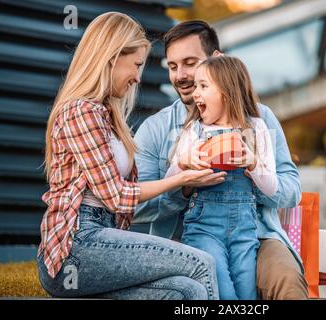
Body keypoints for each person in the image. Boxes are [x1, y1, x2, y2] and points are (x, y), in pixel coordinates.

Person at [37, 12, 219, 300]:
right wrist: (180, 179)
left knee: (187, 291)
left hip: (103, 235)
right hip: (76, 248)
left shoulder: (107, 116)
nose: (137, 77)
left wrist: (179, 169)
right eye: (135, 65)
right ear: (112, 57)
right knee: (201, 262)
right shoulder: (80, 112)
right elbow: (115, 197)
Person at [134, 20, 308, 299]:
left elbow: (292, 190)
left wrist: (254, 172)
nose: (181, 76)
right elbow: (134, 208)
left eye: (190, 63)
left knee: (285, 280)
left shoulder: (260, 120)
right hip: (183, 239)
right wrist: (185, 186)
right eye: (173, 66)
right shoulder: (156, 129)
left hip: (256, 235)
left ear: (217, 62)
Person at [164, 55, 277, 299]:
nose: (195, 94)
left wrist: (253, 163)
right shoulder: (195, 131)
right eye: (196, 86)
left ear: (226, 91)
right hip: (204, 228)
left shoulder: (255, 128)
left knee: (247, 294)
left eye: (203, 86)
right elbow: (169, 184)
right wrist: (184, 163)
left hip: (245, 232)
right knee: (223, 292)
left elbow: (271, 188)